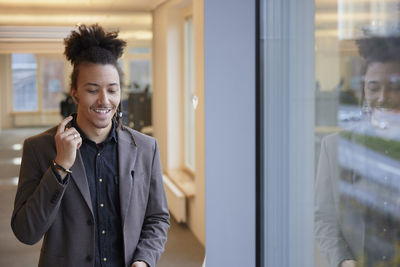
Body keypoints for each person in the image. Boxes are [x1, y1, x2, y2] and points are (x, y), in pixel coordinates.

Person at [11, 24, 170, 267]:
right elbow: (26, 232)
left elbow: (157, 217)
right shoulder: (40, 148)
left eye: (112, 90)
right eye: (92, 90)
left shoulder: (146, 148)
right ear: (74, 93)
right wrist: (60, 167)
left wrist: (144, 260)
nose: (104, 100)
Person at [315, 35, 400, 267]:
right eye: (374, 88)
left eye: (395, 88)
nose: (383, 98)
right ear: (364, 88)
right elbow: (324, 217)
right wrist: (343, 260)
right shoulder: (334, 147)